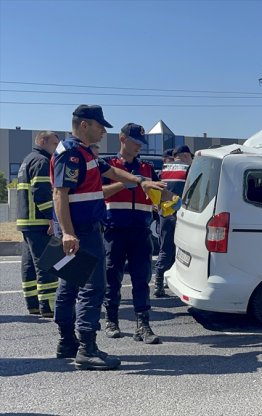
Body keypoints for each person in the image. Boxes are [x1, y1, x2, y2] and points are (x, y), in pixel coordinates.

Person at [52, 105, 164, 371]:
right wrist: (68, 232)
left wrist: (140, 181)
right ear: (84, 125)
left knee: (69, 287)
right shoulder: (72, 155)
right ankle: (86, 349)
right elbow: (60, 194)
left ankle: (67, 342)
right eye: (99, 125)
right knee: (93, 288)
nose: (104, 131)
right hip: (80, 232)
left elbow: (111, 172)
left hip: (80, 229)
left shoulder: (84, 153)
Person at [101, 123, 163, 344]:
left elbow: (156, 196)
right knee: (112, 277)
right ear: (122, 139)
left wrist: (163, 202)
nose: (138, 146)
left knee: (141, 278)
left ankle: (143, 325)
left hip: (140, 231)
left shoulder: (146, 168)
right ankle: (111, 320)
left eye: (140, 143)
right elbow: (98, 193)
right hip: (114, 230)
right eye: (135, 142)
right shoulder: (108, 165)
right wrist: (121, 184)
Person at [16, 131, 60, 317]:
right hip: (40, 221)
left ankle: (33, 304)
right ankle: (48, 306)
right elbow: (42, 193)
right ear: (43, 141)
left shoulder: (27, 160)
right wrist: (52, 218)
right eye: (54, 143)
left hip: (27, 222)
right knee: (46, 264)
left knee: (30, 265)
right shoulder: (42, 161)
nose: (57, 148)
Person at [153, 145, 191, 297]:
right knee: (181, 250)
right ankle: (165, 282)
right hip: (181, 214)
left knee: (165, 247)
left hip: (164, 213)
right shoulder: (187, 170)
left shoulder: (164, 169)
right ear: (185, 155)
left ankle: (159, 281)